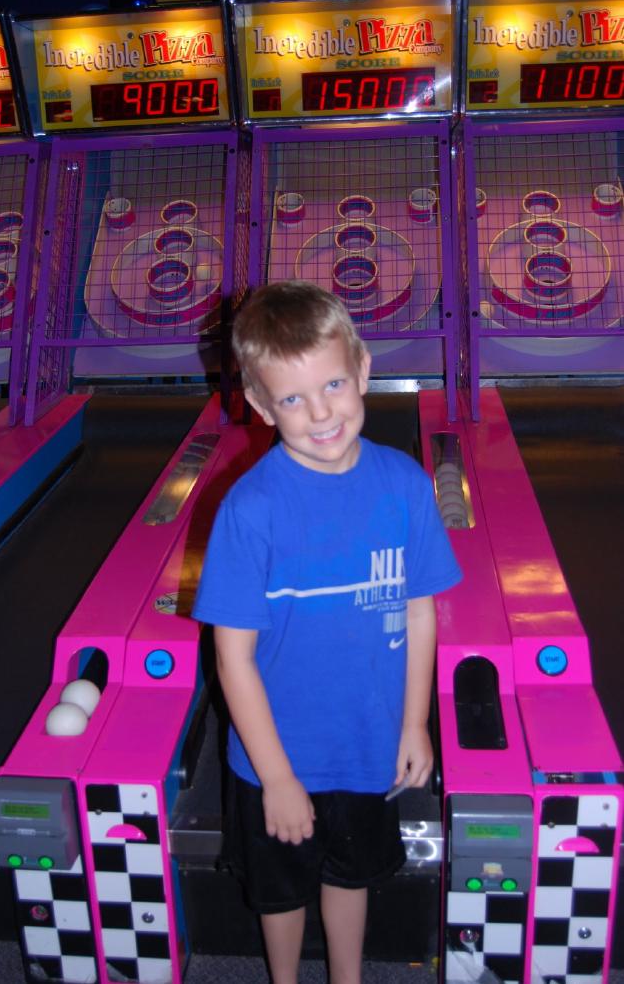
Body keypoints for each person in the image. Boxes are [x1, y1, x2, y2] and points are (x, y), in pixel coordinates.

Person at [192, 281, 461, 984]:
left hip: (368, 742)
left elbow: (420, 611)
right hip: (276, 756)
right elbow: (233, 660)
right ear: (260, 406)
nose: (319, 414)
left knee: (352, 873)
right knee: (280, 890)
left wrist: (414, 724)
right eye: (292, 399)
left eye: (333, 384)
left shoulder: (404, 486)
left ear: (363, 369)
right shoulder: (250, 511)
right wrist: (278, 777)